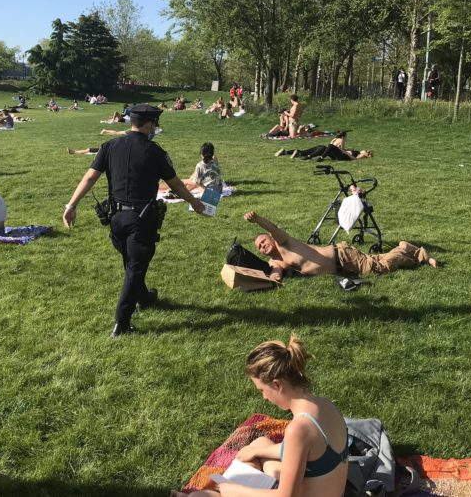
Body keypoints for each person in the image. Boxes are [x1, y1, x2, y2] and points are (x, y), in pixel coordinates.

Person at [62, 104, 205, 337]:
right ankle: (122, 323)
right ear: (149, 124)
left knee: (132, 263)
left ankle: (145, 298)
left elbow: (90, 177)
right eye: (155, 125)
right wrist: (195, 202)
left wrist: (71, 205)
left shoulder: (109, 147)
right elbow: (175, 184)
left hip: (115, 218)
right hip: (142, 219)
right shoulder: (154, 152)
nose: (155, 129)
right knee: (135, 268)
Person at [170, 335, 348, 497]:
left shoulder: (299, 429)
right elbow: (306, 451)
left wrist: (235, 491)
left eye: (262, 390)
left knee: (202, 496)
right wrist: (256, 451)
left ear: (277, 385)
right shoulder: (325, 404)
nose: (264, 396)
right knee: (259, 444)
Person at [244, 210, 437, 282]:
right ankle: (410, 250)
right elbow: (276, 273)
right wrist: (274, 278)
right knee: (375, 261)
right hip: (341, 265)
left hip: (342, 255)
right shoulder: (275, 260)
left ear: (270, 239)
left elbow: (274, 228)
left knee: (379, 268)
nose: (262, 246)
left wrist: (258, 220)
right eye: (259, 247)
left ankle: (410, 251)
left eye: (263, 241)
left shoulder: (284, 242)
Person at [275, 132, 372, 161]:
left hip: (342, 157)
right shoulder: (355, 150)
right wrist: (347, 150)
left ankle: (318, 157)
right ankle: (292, 153)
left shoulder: (360, 154)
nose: (364, 149)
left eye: (365, 150)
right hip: (338, 154)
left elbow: (354, 159)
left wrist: (346, 152)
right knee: (320, 148)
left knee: (327, 146)